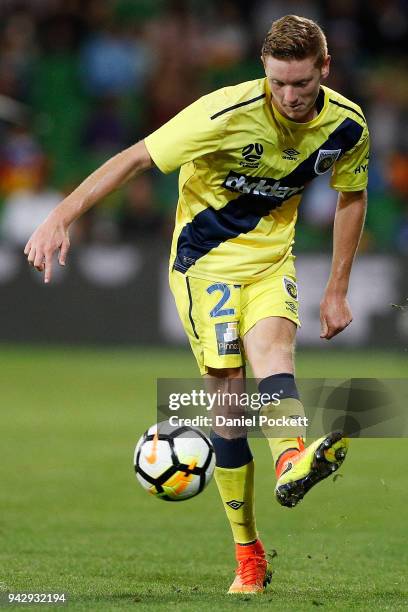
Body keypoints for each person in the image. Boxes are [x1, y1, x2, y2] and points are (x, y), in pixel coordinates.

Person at [24, 15, 369, 595]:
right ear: (264, 70)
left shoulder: (347, 125)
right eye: (279, 83)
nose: (289, 97)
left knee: (276, 354)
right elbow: (135, 158)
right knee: (229, 408)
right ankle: (249, 555)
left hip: (270, 262)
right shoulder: (222, 114)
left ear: (324, 70)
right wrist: (62, 215)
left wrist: (337, 287)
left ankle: (291, 461)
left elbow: (352, 195)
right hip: (203, 267)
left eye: (302, 85)